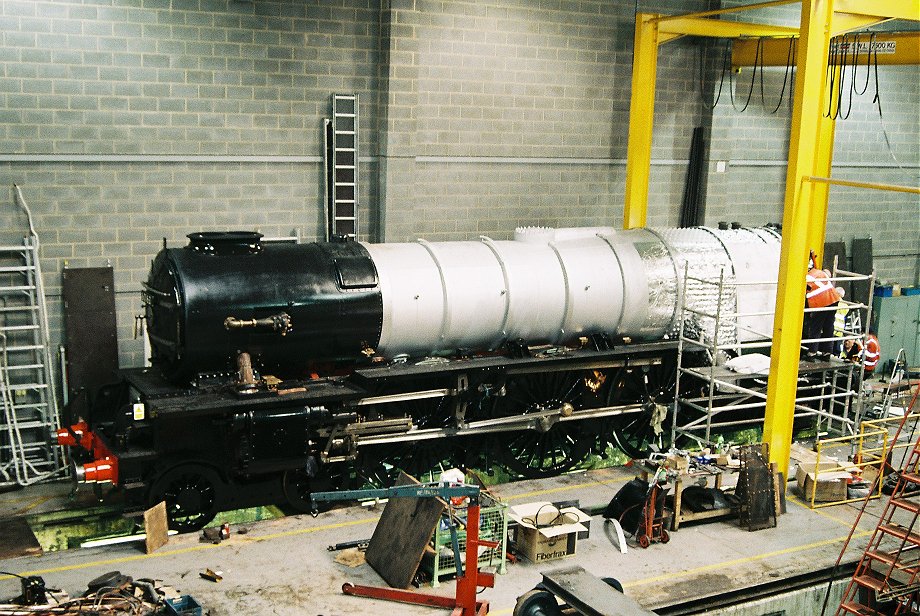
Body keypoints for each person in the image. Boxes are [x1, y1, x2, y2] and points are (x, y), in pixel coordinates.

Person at [804, 250, 841, 358]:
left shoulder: (806, 277)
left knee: (815, 327)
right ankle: (827, 352)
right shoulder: (818, 273)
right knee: (828, 326)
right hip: (834, 299)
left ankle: (812, 352)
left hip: (821, 302)